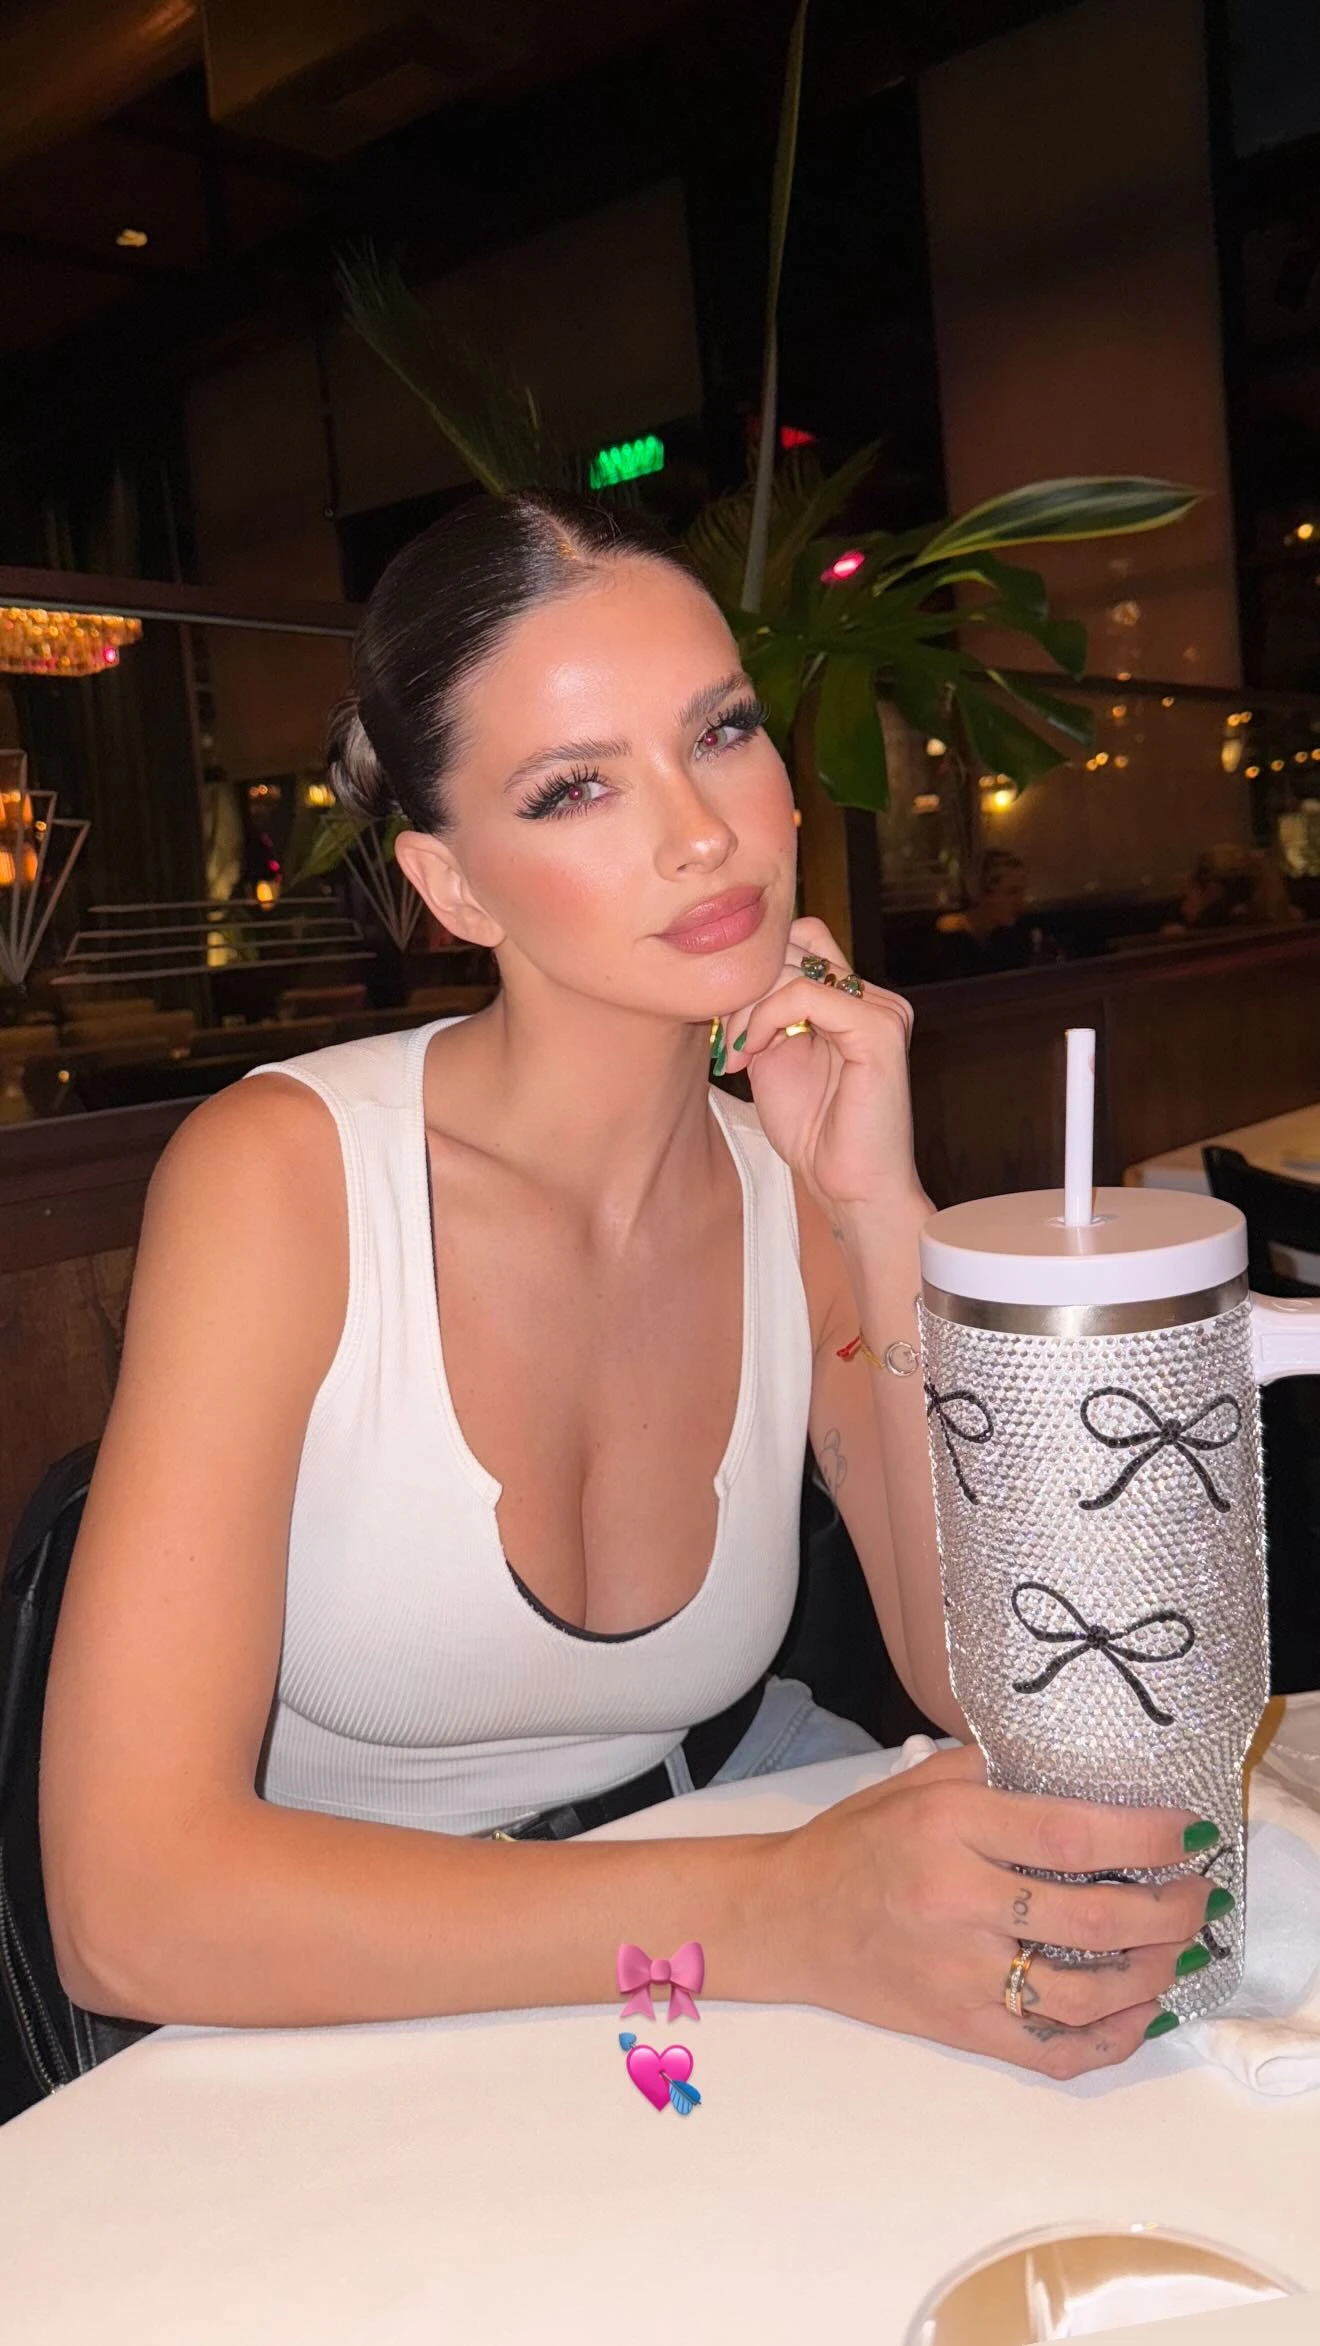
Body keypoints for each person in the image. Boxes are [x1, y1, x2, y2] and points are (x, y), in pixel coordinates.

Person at [41, 494, 1216, 2081]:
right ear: (454, 887)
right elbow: (128, 1906)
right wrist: (785, 1910)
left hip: (707, 1932)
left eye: (719, 731)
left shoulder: (794, 1185)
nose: (700, 831)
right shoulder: (287, 1178)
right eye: (575, 786)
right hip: (358, 1999)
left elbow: (985, 1684)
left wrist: (881, 1210)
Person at [924, 849, 1036, 980]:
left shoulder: (1013, 938)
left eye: (1022, 892)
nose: (1021, 902)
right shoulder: (944, 941)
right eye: (1012, 892)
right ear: (980, 893)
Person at [1168, 842, 1301, 935]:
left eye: (1187, 898)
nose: (1182, 908)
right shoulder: (1289, 925)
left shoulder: (1200, 941)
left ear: (1212, 890)